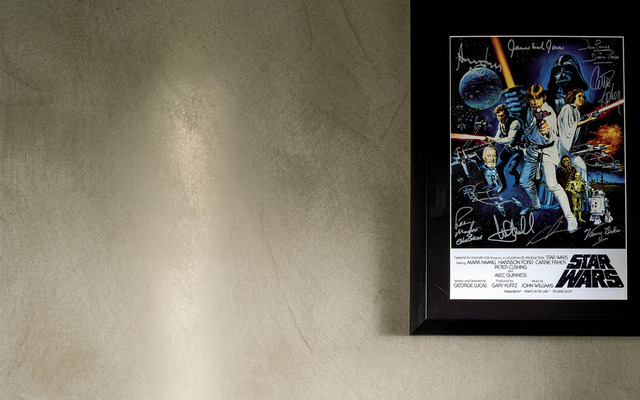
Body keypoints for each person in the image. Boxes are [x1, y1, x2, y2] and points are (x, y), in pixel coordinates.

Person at [519, 84, 578, 233]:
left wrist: (545, 131)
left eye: (538, 98)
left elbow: (550, 132)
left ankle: (570, 217)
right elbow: (528, 128)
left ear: (543, 98)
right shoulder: (530, 109)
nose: (535, 102)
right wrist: (525, 140)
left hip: (547, 150)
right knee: (524, 181)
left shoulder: (549, 113)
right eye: (532, 99)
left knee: (552, 185)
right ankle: (535, 204)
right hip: (533, 150)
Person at [557, 89, 596, 181]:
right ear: (573, 97)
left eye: (583, 97)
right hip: (562, 147)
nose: (582, 99)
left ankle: (584, 188)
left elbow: (576, 128)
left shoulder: (577, 112)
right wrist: (586, 120)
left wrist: (586, 122)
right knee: (558, 170)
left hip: (571, 148)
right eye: (579, 96)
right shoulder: (567, 108)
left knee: (582, 167)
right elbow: (569, 127)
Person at [486, 104, 523, 192]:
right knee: (498, 167)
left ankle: (518, 177)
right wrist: (492, 140)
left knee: (511, 170)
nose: (500, 118)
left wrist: (495, 141)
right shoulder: (501, 123)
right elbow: (498, 136)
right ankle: (503, 185)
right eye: (498, 116)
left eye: (502, 115)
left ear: (506, 114)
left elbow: (510, 139)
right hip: (508, 149)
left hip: (517, 150)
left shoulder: (515, 123)